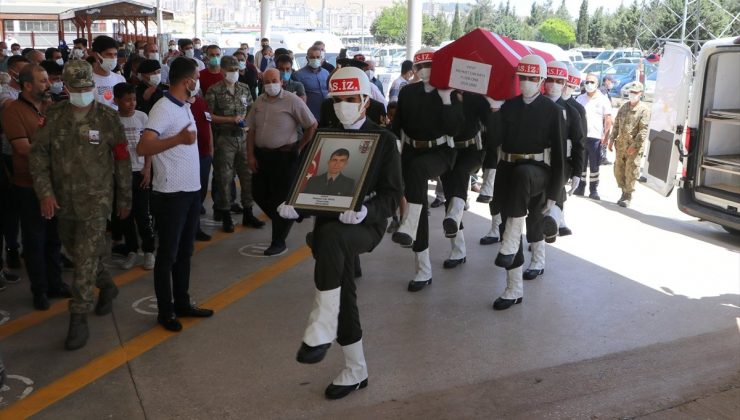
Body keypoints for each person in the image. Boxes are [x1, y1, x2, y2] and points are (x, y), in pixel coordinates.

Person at [283, 66, 402, 400]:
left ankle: (321, 329)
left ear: (365, 101)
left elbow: (394, 194)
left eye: (351, 99)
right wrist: (296, 206)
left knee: (332, 241)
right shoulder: (325, 137)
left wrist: (368, 210)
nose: (344, 105)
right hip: (330, 228)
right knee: (344, 292)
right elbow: (310, 186)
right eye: (338, 99)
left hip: (366, 226)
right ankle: (355, 369)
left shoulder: (385, 140)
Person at [29, 60, 132, 349]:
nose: (83, 92)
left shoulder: (108, 119)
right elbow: (38, 156)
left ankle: (78, 317)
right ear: (68, 88)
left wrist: (124, 198)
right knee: (77, 253)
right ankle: (107, 286)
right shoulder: (54, 116)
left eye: (88, 87)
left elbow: (122, 160)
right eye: (77, 88)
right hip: (63, 201)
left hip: (96, 202)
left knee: (85, 258)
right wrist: (45, 193)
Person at [136, 57, 214, 332]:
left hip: (190, 192)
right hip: (170, 194)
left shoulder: (183, 106)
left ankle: (183, 303)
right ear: (188, 81)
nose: (200, 83)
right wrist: (178, 140)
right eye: (198, 78)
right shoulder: (163, 109)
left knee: (185, 252)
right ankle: (165, 311)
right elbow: (143, 148)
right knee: (167, 255)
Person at [489, 54, 565, 310]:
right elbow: (494, 140)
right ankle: (513, 289)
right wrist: (494, 111)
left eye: (532, 78)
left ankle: (515, 242)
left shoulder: (553, 110)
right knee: (505, 224)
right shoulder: (509, 106)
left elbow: (559, 155)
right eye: (523, 77)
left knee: (523, 183)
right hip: (508, 168)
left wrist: (556, 193)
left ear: (541, 80)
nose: (526, 82)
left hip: (538, 171)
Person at [390, 47, 463, 292]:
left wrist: (446, 98)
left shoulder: (450, 92)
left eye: (429, 65)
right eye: (419, 67)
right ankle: (423, 269)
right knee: (415, 197)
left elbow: (454, 129)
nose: (424, 71)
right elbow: (397, 125)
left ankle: (408, 222)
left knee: (419, 178)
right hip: (412, 151)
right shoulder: (407, 91)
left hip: (441, 152)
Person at [1, 63, 69, 310]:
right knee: (34, 241)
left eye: (47, 80)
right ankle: (39, 290)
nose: (48, 84)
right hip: (28, 187)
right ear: (27, 85)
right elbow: (22, 148)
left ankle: (55, 283)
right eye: (42, 81)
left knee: (54, 239)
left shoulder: (52, 109)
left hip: (56, 183)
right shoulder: (13, 111)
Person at [246, 68, 317, 256]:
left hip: (284, 157)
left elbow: (312, 125)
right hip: (262, 155)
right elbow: (251, 129)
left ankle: (278, 241)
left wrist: (299, 147)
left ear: (281, 81)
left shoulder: (292, 100)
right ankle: (290, 216)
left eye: (274, 80)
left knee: (280, 199)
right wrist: (250, 155)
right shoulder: (259, 102)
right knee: (258, 193)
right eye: (266, 81)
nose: (270, 84)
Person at [524, 61, 584, 280]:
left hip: (562, 163)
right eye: (550, 80)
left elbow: (579, 143)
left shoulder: (574, 111)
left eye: (559, 81)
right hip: (537, 164)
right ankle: (538, 255)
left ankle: (554, 219)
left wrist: (578, 171)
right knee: (535, 211)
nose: (554, 85)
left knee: (553, 192)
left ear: (566, 83)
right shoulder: (531, 104)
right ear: (543, 80)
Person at [205, 55, 263, 232]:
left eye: (236, 70)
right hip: (224, 139)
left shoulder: (244, 88)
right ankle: (225, 214)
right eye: (231, 70)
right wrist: (230, 119)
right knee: (224, 178)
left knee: (247, 176)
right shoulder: (214, 91)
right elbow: (208, 116)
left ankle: (248, 212)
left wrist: (248, 123)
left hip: (244, 138)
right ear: (222, 71)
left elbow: (252, 110)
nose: (234, 73)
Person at [439, 91, 490, 269]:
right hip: (448, 150)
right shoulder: (443, 95)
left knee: (461, 173)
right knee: (449, 197)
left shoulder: (476, 96)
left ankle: (455, 214)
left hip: (473, 149)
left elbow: (489, 122)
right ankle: (457, 250)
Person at [113, 82, 156, 270]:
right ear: (116, 101)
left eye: (134, 99)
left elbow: (149, 145)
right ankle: (132, 250)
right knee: (125, 214)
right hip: (119, 174)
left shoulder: (142, 117)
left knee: (142, 214)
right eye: (127, 100)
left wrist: (147, 168)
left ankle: (148, 251)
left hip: (139, 172)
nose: (131, 103)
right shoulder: (113, 120)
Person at [609, 81, 650, 208]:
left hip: (633, 147)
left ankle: (628, 195)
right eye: (631, 92)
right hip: (621, 145)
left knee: (630, 171)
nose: (632, 94)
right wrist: (611, 139)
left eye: (635, 92)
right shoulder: (624, 107)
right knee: (618, 170)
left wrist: (635, 146)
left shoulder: (644, 110)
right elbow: (616, 124)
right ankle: (623, 191)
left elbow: (643, 130)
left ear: (640, 94)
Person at [575, 73, 613, 200]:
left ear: (597, 84)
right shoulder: (580, 98)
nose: (589, 84)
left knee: (595, 165)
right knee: (581, 164)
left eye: (592, 82)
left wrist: (606, 136)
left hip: (596, 137)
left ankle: (593, 190)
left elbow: (608, 119)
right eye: (587, 82)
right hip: (581, 137)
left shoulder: (603, 99)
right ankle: (580, 187)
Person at [190, 92, 213, 242]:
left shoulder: (200, 101)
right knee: (192, 195)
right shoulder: (179, 105)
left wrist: (211, 149)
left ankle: (194, 225)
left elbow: (208, 124)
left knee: (202, 191)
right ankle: (193, 228)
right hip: (190, 157)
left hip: (204, 155)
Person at [292, 46, 329, 122]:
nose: (315, 59)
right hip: (310, 116)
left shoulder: (326, 73)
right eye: (312, 57)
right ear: (307, 58)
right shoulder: (298, 75)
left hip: (327, 115)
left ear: (321, 58)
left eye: (318, 57)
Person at [90, 35, 125, 110]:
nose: (113, 58)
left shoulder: (120, 79)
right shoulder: (87, 80)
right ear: (96, 55)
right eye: (108, 54)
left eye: (115, 54)